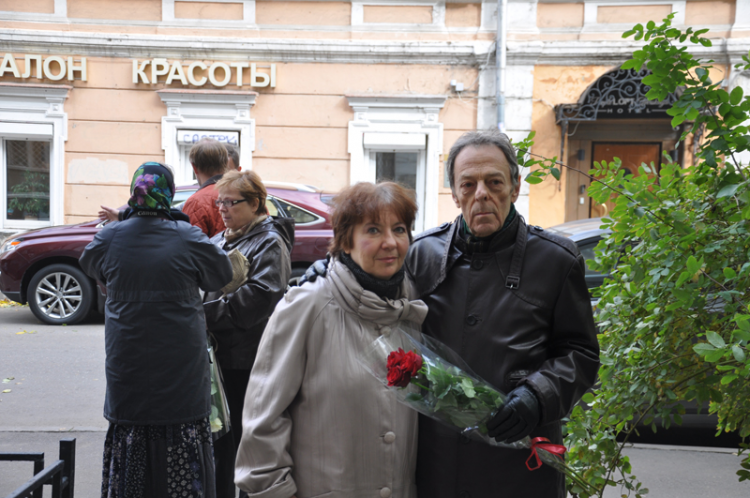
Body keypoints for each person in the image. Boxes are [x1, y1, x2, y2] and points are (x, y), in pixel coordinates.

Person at [302, 131, 600, 498]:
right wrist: (331, 271)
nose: (481, 195)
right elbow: (371, 287)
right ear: (455, 192)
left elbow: (580, 353)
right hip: (436, 463)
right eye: (468, 184)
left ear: (515, 186)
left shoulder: (556, 259)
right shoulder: (420, 255)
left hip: (518, 463)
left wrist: (537, 396)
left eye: (494, 182)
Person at [235, 182, 427, 498]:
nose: (390, 242)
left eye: (400, 229)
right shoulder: (307, 306)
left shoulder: (412, 309)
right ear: (346, 242)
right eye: (374, 231)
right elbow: (263, 419)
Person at [79, 162, 233, 498]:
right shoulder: (187, 236)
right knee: (181, 439)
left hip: (127, 361)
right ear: (169, 193)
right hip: (180, 368)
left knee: (131, 432)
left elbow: (90, 265)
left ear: (134, 193)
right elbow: (220, 276)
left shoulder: (109, 236)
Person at [202, 170, 294, 498]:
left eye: (231, 202)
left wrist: (203, 314)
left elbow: (259, 298)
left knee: (241, 443)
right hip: (217, 358)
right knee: (219, 441)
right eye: (220, 202)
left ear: (255, 203)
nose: (222, 209)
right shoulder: (221, 238)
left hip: (245, 359)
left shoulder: (269, 240)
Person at [183, 138, 230, 237]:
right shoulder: (250, 195)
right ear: (226, 163)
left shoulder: (195, 203)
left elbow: (190, 248)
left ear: (194, 167)